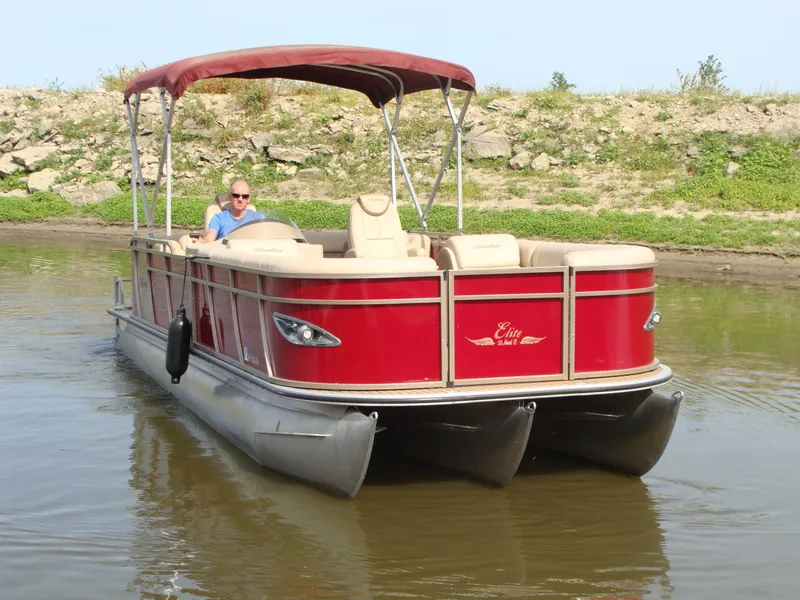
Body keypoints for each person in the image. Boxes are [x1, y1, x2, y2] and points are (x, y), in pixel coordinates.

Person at [195, 180, 264, 243]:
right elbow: (210, 237)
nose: (240, 199)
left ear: (249, 199)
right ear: (230, 197)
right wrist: (203, 241)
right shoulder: (218, 219)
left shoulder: (258, 218)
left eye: (244, 196)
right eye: (236, 195)